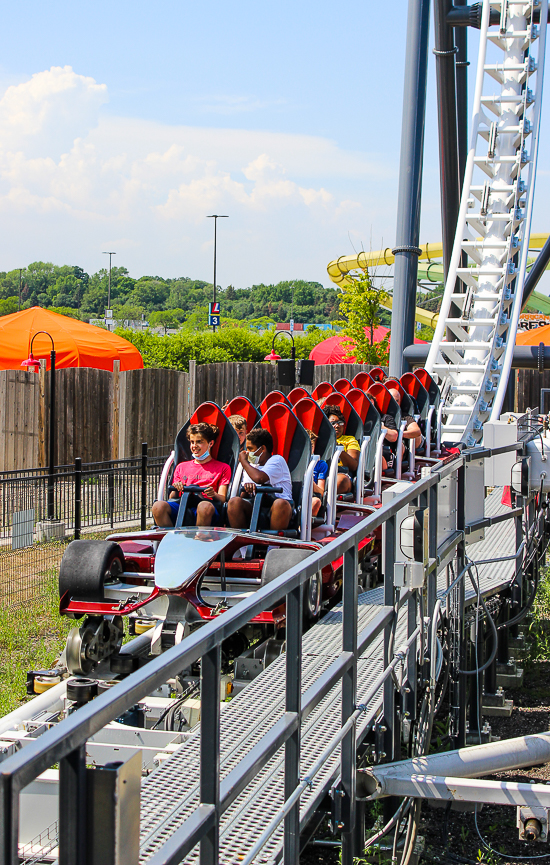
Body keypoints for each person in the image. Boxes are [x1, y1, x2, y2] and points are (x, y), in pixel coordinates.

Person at [152, 422, 231, 527]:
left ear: (210, 443)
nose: (194, 446)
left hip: (208, 506)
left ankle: (198, 539)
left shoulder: (223, 468)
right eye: (192, 442)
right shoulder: (181, 467)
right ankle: (171, 539)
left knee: (204, 507)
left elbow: (222, 498)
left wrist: (213, 494)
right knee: (158, 506)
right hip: (183, 504)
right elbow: (172, 497)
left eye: (199, 442)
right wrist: (177, 488)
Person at [227, 428, 293, 531]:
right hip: (255, 504)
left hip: (278, 506)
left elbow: (260, 478)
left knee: (280, 504)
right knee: (234, 502)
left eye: (250, 449)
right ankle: (243, 545)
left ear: (262, 449)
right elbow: (243, 495)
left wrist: (244, 462)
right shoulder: (251, 466)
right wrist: (247, 489)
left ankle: (271, 546)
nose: (247, 453)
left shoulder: (277, 460)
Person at [381, 389, 423, 468]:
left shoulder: (404, 417)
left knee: (401, 445)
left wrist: (399, 434)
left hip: (399, 447)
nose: (394, 403)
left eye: (397, 401)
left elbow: (416, 431)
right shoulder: (382, 417)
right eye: (392, 400)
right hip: (384, 446)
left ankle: (396, 470)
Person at [323, 405, 360, 494]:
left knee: (340, 482)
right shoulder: (320, 440)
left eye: (340, 423)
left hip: (341, 471)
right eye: (333, 423)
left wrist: (338, 449)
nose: (337, 426)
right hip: (322, 471)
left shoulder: (349, 440)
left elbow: (353, 465)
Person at [307, 429, 328, 517]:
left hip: (311, 495)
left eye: (311, 446)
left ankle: (304, 528)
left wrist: (310, 482)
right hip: (296, 494)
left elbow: (321, 492)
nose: (309, 449)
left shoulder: (320, 465)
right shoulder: (293, 462)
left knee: (316, 501)